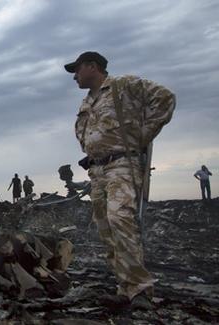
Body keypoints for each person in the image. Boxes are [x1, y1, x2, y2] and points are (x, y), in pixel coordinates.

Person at [66, 51, 175, 310]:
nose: (74, 76)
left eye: (77, 69)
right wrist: (91, 153)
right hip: (98, 171)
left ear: (92, 66)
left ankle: (140, 289)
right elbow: (88, 134)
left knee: (121, 220)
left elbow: (165, 99)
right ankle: (124, 288)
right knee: (106, 228)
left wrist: (141, 136)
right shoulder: (86, 103)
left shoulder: (123, 86)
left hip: (121, 166)